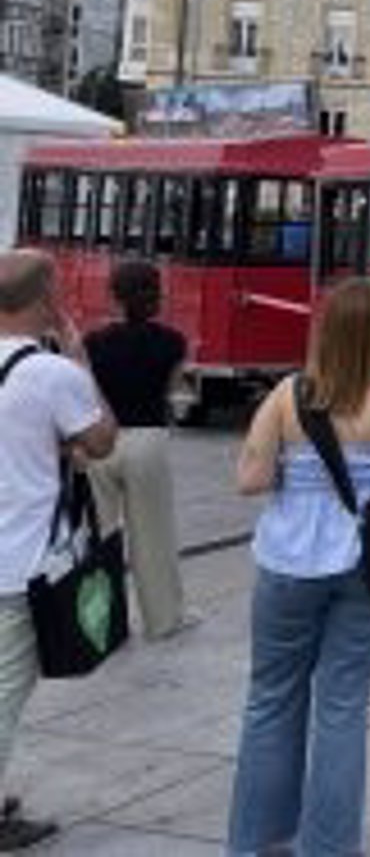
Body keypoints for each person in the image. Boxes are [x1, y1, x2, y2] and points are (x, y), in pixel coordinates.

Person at [227, 277, 370, 857]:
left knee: (271, 699)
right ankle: (329, 848)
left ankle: (256, 842)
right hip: (366, 566)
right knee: (342, 706)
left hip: (288, 561)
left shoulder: (287, 396)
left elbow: (251, 480)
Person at [0, 251, 118, 853]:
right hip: (17, 564)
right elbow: (101, 440)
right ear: (45, 302)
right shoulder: (51, 373)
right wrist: (78, 359)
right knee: (2, 694)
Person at [83, 259, 193, 640]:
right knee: (154, 535)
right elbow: (174, 393)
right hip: (148, 440)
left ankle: (105, 626)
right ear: (156, 294)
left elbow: (84, 394)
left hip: (100, 441)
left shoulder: (92, 343)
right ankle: (163, 620)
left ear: (113, 295)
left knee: (102, 538)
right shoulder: (173, 342)